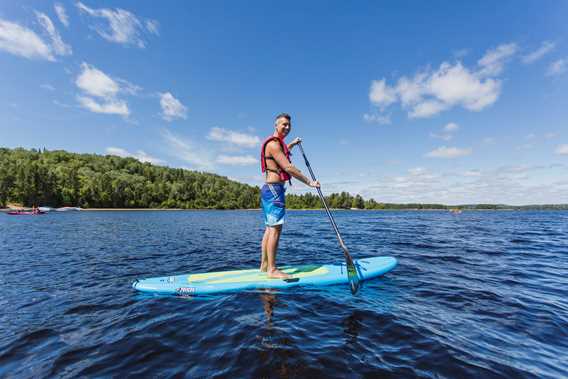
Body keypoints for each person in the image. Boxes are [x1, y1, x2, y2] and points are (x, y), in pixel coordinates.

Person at [260, 113, 320, 279]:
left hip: (269, 190)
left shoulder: (277, 145)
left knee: (269, 229)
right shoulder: (273, 144)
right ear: (276, 125)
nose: (287, 127)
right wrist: (310, 182)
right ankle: (272, 270)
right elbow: (288, 167)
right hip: (274, 191)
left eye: (289, 125)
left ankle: (264, 266)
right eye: (284, 125)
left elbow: (283, 153)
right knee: (275, 230)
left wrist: (292, 143)